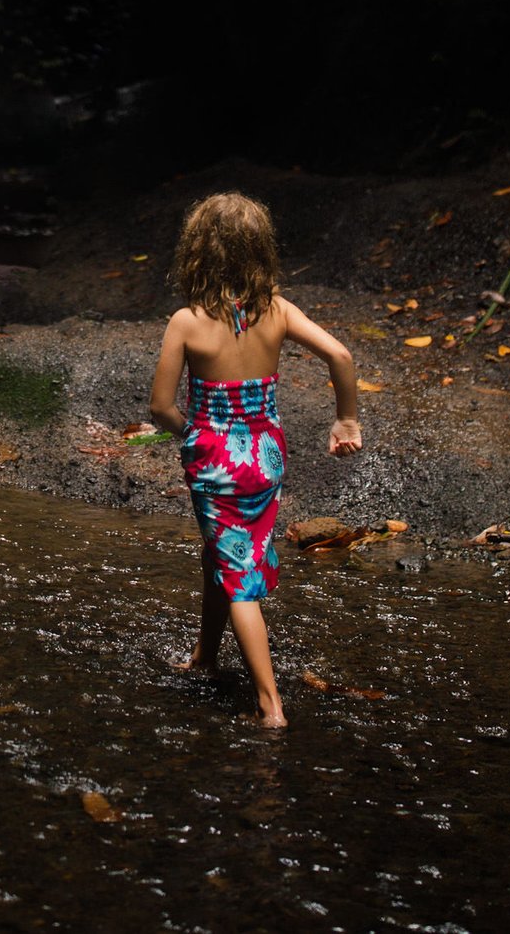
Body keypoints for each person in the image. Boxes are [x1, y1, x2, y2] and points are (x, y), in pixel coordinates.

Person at [147, 191, 363, 728]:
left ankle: (270, 707)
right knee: (221, 556)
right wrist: (346, 420)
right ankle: (206, 656)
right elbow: (340, 355)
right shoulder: (278, 310)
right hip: (266, 454)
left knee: (239, 578)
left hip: (216, 460)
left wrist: (197, 435)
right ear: (260, 251)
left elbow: (160, 407)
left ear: (197, 252)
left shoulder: (187, 322)